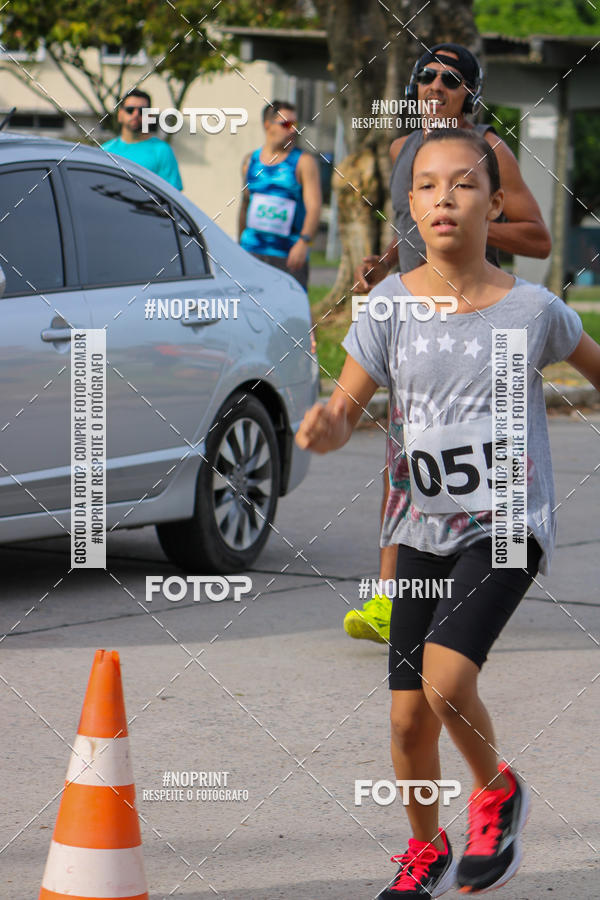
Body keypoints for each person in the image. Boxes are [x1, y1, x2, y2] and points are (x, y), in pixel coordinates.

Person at [296, 128, 600, 896]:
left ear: (495, 205)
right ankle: (426, 849)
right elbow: (345, 404)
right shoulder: (390, 306)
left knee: (444, 682)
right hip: (419, 527)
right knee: (406, 722)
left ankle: (496, 791)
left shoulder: (535, 310)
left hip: (505, 526)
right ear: (409, 205)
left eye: (464, 184)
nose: (444, 199)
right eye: (428, 186)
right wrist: (329, 425)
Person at [344, 43, 552, 645]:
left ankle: (486, 578)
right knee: (404, 462)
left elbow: (537, 237)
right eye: (427, 76)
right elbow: (414, 224)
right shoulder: (399, 149)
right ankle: (392, 600)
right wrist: (384, 263)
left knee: (483, 461)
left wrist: (475, 221)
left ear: (469, 93)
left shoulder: (490, 148)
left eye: (452, 79)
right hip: (415, 320)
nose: (436, 85)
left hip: (477, 322)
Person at [238, 100, 322, 290]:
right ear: (267, 125)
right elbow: (245, 204)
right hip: (252, 251)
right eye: (286, 124)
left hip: (288, 255)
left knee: (289, 315)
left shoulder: (303, 161)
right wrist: (239, 244)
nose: (293, 130)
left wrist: (304, 242)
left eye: (295, 125)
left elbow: (314, 207)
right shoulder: (250, 161)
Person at [102, 89, 183, 190]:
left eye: (142, 111)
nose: (136, 115)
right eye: (130, 110)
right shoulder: (105, 151)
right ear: (120, 115)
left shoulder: (162, 151)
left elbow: (172, 195)